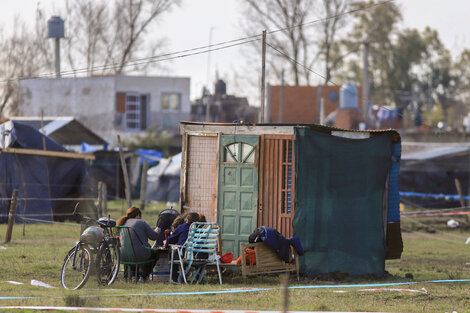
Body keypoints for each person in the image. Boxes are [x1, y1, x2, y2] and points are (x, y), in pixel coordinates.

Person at [117, 206, 160, 282]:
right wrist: (157, 230)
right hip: (139, 255)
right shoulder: (141, 222)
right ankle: (144, 276)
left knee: (135, 250)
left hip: (123, 255)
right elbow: (153, 237)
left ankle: (133, 275)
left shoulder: (123, 223)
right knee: (155, 253)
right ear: (137, 215)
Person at [165, 211, 200, 282]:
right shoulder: (201, 228)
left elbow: (171, 239)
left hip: (185, 254)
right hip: (199, 254)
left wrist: (166, 245)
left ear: (187, 220)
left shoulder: (183, 227)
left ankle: (174, 277)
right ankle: (198, 277)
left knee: (172, 251)